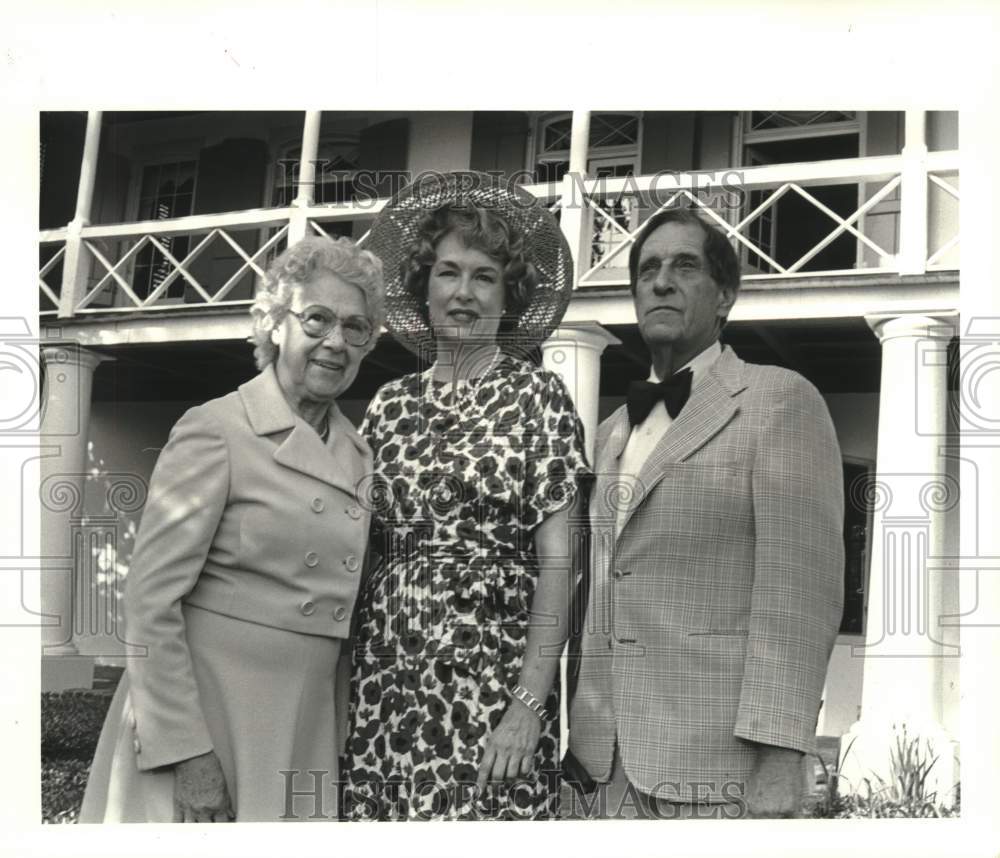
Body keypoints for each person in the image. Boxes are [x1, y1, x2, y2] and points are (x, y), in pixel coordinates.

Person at [79, 236, 384, 822]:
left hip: (305, 723)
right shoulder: (216, 429)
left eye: (356, 327)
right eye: (316, 319)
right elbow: (149, 603)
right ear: (274, 324)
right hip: (207, 722)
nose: (335, 342)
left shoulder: (358, 453)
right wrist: (186, 753)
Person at [566, 208, 844, 820]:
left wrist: (779, 757)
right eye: (647, 270)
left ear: (724, 296)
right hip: (599, 768)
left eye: (684, 266)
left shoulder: (779, 400)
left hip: (720, 769)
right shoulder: (612, 429)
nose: (661, 282)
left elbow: (799, 596)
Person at [342, 172, 590, 821]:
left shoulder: (540, 401)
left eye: (485, 276)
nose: (464, 292)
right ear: (422, 287)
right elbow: (354, 553)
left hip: (493, 701)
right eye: (448, 272)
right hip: (382, 693)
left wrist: (529, 706)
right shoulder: (387, 408)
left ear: (508, 297)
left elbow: (561, 566)